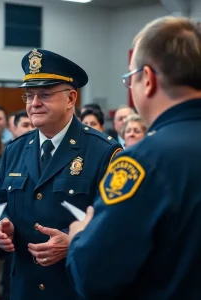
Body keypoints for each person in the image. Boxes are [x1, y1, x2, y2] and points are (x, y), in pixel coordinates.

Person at [66, 16, 201, 299]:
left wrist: (81, 236)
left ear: (148, 80)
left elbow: (95, 275)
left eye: (130, 78)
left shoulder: (143, 161)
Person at [0, 48, 122, 300]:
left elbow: (118, 225)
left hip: (75, 287)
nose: (34, 103)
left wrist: (75, 241)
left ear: (71, 98)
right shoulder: (15, 150)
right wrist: (0, 226)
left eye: (45, 94)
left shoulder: (103, 151)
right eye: (29, 96)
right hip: (24, 288)